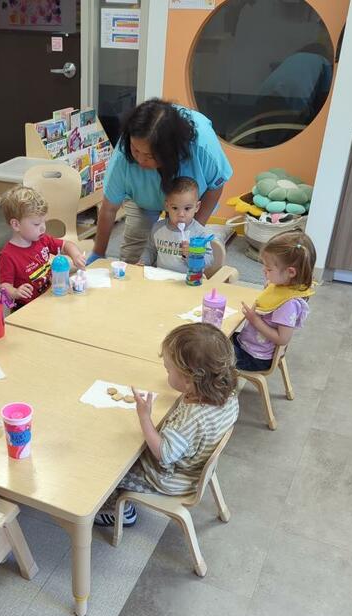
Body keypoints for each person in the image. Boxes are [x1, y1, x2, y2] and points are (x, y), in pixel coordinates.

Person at [95, 323, 239, 527]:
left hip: (173, 478)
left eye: (168, 370)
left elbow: (163, 453)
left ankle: (120, 512)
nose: (166, 374)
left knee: (113, 468)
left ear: (189, 380)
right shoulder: (227, 394)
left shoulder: (192, 419)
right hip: (196, 463)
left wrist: (144, 417)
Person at [88, 98, 232, 265]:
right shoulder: (125, 152)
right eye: (136, 150)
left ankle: (213, 235)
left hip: (184, 203)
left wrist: (193, 228)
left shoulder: (202, 146)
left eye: (149, 156)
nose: (140, 160)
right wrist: (98, 253)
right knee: (134, 257)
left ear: (170, 152)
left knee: (183, 256)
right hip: (143, 200)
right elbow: (109, 208)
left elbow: (216, 186)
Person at [233, 230, 316, 372]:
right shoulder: (285, 285)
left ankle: (222, 390)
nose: (263, 271)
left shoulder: (288, 304)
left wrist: (255, 320)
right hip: (248, 344)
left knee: (211, 355)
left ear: (291, 272)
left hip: (255, 357)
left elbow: (282, 339)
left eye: (269, 269)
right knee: (215, 339)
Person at [0, 185, 86, 309]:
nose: (43, 227)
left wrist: (76, 255)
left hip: (48, 298)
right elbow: (3, 286)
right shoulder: (8, 256)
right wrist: (15, 293)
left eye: (44, 221)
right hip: (26, 309)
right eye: (36, 224)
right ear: (16, 225)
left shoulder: (42, 239)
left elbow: (66, 245)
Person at [139, 176, 215, 274]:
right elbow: (150, 250)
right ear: (167, 206)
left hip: (188, 281)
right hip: (161, 278)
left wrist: (192, 256)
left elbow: (209, 260)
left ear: (197, 207)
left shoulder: (199, 233)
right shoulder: (158, 228)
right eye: (175, 208)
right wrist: (143, 262)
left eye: (187, 208)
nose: (181, 214)